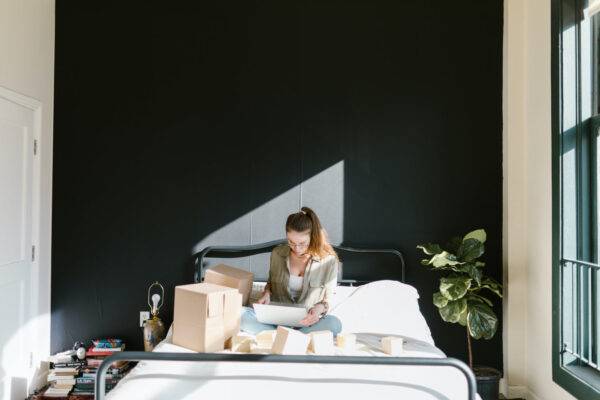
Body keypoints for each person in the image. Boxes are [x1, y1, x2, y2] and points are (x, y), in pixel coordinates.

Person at [241, 206, 342, 336]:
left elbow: (329, 298)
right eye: (291, 242)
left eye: (302, 243)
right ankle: (291, 337)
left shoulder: (328, 261)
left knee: (334, 324)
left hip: (307, 323)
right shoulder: (277, 253)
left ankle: (278, 336)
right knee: (240, 315)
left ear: (313, 237)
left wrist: (319, 309)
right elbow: (271, 283)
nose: (297, 248)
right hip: (276, 320)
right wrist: (266, 293)